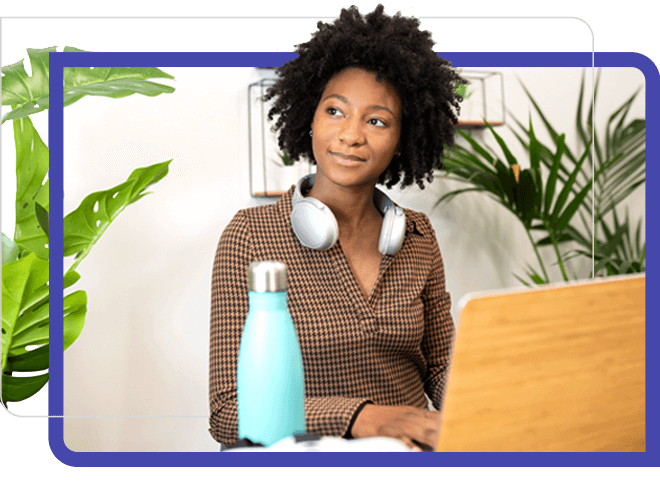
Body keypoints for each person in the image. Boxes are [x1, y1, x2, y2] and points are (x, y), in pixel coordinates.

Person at [209, 4, 466, 452]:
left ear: (402, 139)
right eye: (335, 111)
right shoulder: (250, 234)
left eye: (377, 120)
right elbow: (230, 410)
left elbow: (443, 369)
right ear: (309, 118)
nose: (351, 135)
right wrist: (364, 419)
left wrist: (486, 412)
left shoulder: (419, 237)